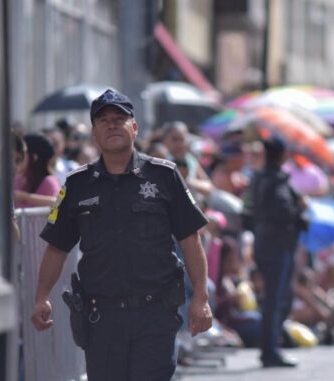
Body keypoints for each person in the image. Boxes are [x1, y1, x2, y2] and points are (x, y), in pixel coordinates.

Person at [30, 89, 213, 380]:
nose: (112, 125)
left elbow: (191, 240)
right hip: (101, 318)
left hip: (155, 313)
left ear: (134, 127)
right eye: (103, 120)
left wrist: (201, 298)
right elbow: (57, 247)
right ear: (94, 133)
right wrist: (41, 297)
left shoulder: (164, 176)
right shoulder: (77, 185)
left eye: (119, 118)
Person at [247, 135, 307, 367]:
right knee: (275, 300)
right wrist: (300, 210)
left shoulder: (259, 178)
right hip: (277, 245)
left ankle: (272, 346)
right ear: (282, 155)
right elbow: (283, 214)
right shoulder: (275, 181)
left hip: (265, 242)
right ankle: (270, 350)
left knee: (275, 299)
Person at [14, 134, 62, 208]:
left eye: (22, 155)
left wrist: (24, 197)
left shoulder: (49, 182)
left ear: (34, 157)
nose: (18, 159)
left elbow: (59, 203)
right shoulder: (18, 180)